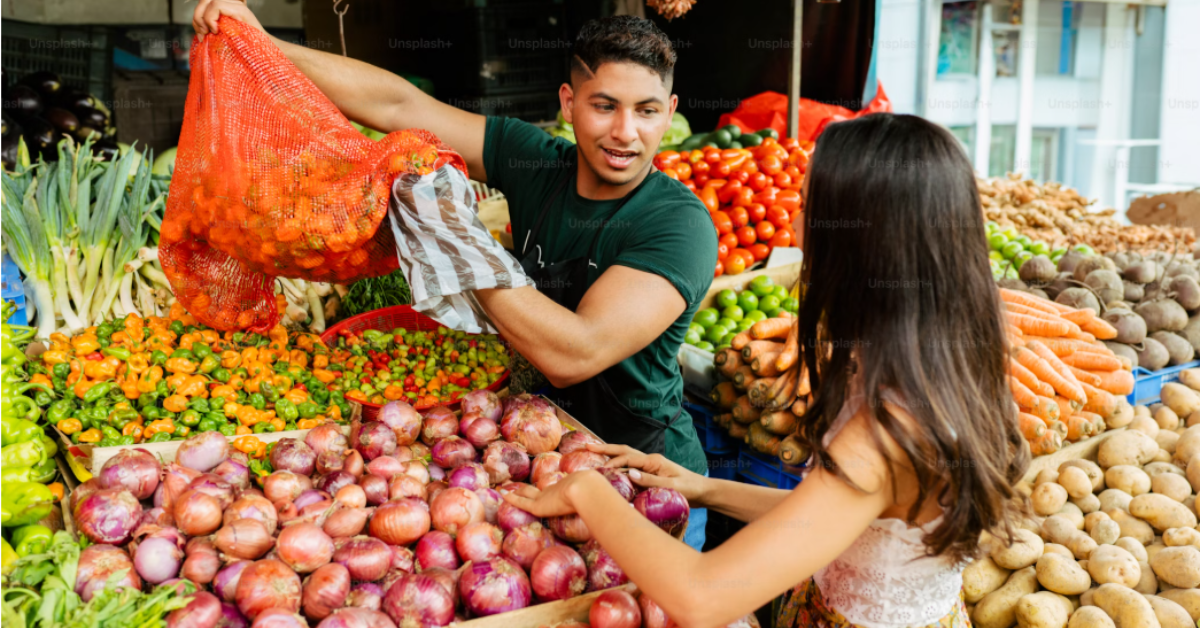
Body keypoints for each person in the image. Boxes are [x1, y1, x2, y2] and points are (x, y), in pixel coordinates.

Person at [191, 5, 717, 548]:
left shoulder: (677, 224)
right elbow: (400, 104)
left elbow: (573, 355)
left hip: (644, 487)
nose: (626, 133)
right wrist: (264, 45)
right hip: (537, 464)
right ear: (568, 102)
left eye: (647, 111)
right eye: (604, 106)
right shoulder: (537, 162)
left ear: (671, 110)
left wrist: (457, 243)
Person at [505, 113, 1030, 628]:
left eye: (808, 207)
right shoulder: (950, 368)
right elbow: (839, 513)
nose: (796, 226)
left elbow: (699, 597)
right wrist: (702, 488)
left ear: (864, 244)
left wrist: (586, 492)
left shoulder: (882, 431)